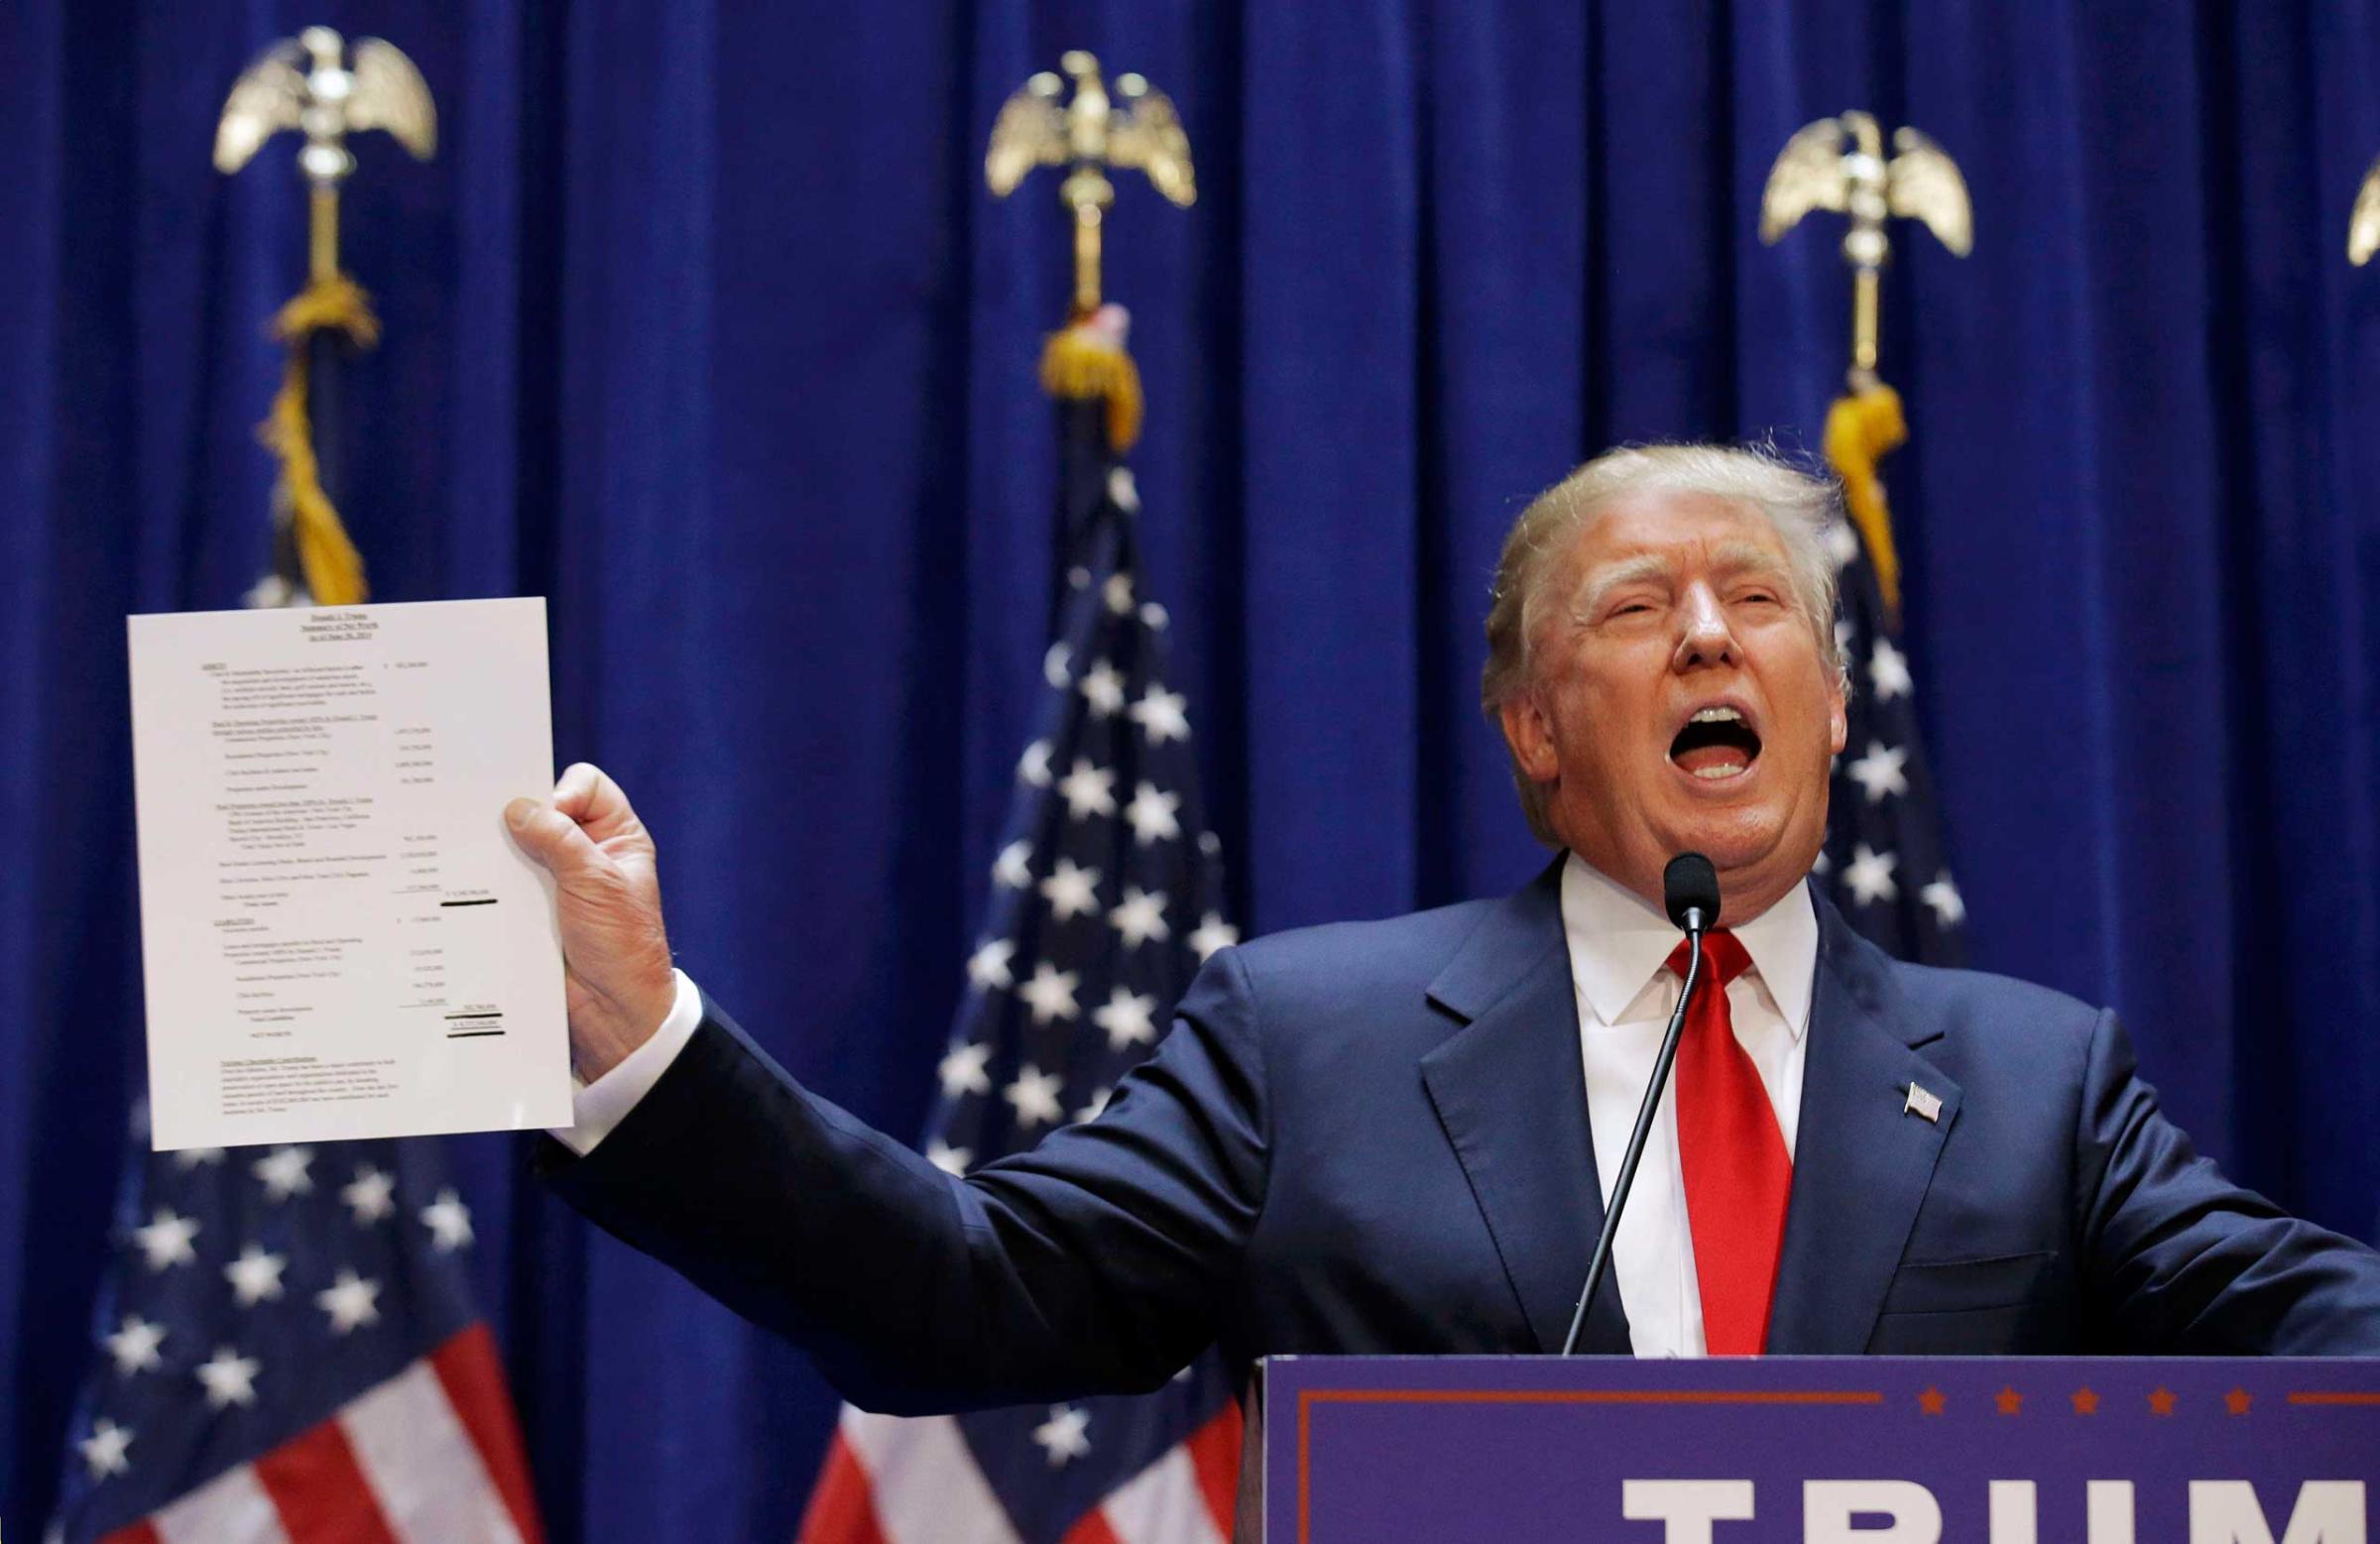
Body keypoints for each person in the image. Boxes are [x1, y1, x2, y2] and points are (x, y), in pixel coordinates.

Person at [507, 444, 2380, 1413]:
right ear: (1537, 730)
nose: (1714, 636)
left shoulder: (2039, 1081)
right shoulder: (1305, 1042)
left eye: (1761, 605)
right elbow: (960, 1294)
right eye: (1640, 606)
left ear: (1830, 710)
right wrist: (647, 1039)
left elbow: (2318, 1335)